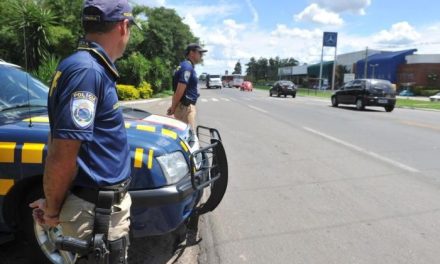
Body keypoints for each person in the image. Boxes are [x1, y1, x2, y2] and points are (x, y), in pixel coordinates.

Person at [29, 0, 140, 263]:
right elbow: (63, 153)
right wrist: (53, 210)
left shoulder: (86, 66)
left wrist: (54, 201)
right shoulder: (87, 71)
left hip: (95, 210)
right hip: (95, 217)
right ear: (123, 27)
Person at [167, 43, 207, 131]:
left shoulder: (186, 66)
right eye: (199, 53)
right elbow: (180, 89)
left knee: (184, 137)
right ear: (192, 53)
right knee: (189, 138)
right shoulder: (187, 67)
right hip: (185, 109)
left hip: (184, 107)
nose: (201, 55)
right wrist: (173, 107)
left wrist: (174, 105)